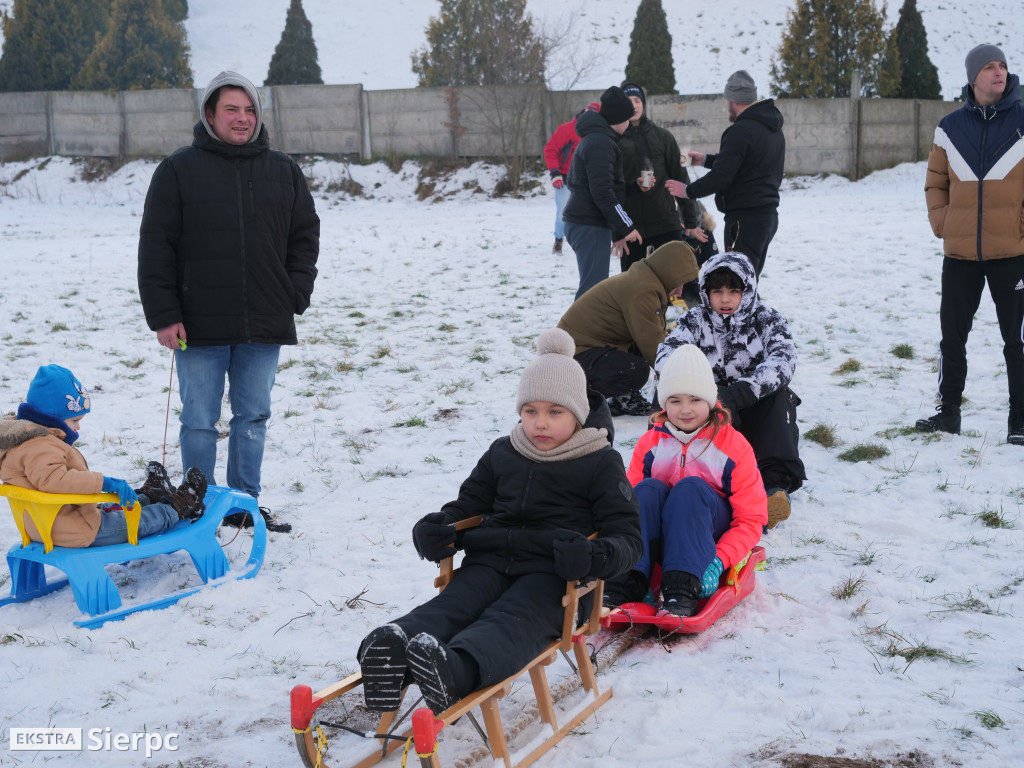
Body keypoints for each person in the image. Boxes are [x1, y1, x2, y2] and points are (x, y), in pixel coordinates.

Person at [355, 328, 641, 714]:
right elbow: (469, 503)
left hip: (555, 576)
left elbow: (628, 537)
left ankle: (457, 670)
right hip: (490, 561)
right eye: (530, 412)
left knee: (509, 622)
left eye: (555, 412)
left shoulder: (599, 460)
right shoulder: (504, 451)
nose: (540, 423)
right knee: (452, 606)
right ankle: (394, 651)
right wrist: (442, 527)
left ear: (577, 412)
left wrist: (592, 556)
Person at [138, 71, 320, 532]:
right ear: (209, 115)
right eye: (231, 110)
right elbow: (156, 246)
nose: (243, 119)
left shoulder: (283, 170)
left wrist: (295, 293)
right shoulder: (179, 170)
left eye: (250, 110)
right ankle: (198, 505)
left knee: (252, 415)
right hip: (197, 324)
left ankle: (242, 506)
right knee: (199, 419)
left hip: (265, 320)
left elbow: (305, 236)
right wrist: (163, 316)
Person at [603, 345, 766, 617]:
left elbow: (751, 519)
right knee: (646, 490)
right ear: (663, 403)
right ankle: (628, 580)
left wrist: (719, 559)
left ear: (711, 400)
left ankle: (682, 587)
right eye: (675, 400)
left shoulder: (733, 447)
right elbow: (628, 511)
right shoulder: (650, 444)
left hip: (707, 540)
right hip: (661, 539)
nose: (685, 410)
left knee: (690, 489)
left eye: (695, 399)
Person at [918, 44, 1024, 446]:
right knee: (952, 338)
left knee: (1017, 341)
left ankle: (1020, 421)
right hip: (960, 254)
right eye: (989, 67)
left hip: (1013, 254)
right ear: (973, 76)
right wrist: (943, 221)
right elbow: (935, 182)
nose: (998, 72)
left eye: (1003, 65)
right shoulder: (949, 127)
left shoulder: (1022, 121)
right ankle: (949, 414)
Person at [657, 252, 805, 527]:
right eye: (717, 291)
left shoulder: (767, 318)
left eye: (734, 291)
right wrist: (700, 390)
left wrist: (743, 391)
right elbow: (668, 354)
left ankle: (773, 489)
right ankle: (702, 484)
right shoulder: (694, 320)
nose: (725, 299)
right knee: (682, 407)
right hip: (711, 405)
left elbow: (783, 358)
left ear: (747, 290)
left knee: (780, 397)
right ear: (705, 292)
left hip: (755, 402)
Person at [0, 365, 207, 548]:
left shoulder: (23, 438)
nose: (78, 426)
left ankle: (148, 496)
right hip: (74, 529)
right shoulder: (39, 445)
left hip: (52, 520)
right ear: (52, 417)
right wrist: (105, 482)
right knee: (139, 521)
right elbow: (55, 480)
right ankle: (180, 506)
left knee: (107, 508)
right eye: (74, 420)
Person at [557, 241, 699, 416]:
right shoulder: (643, 290)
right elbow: (654, 347)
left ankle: (623, 397)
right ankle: (580, 395)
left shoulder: (647, 281)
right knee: (635, 371)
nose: (680, 290)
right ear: (668, 272)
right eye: (679, 280)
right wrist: (686, 377)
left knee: (636, 357)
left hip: (585, 349)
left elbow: (654, 332)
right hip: (570, 356)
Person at [667, 70, 784, 277]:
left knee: (737, 283)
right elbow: (745, 165)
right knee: (748, 279)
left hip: (744, 220)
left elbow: (722, 176)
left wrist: (687, 191)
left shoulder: (740, 130)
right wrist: (705, 160)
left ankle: (745, 311)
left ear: (733, 100)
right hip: (767, 217)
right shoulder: (771, 128)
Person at [562, 85, 643, 301]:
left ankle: (581, 332)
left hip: (587, 221)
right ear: (620, 118)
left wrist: (634, 187)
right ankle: (576, 334)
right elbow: (603, 192)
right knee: (592, 292)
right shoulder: (600, 143)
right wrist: (627, 226)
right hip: (589, 224)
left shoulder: (599, 139)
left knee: (594, 289)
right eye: (628, 118)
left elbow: (604, 188)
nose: (629, 123)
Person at [618, 81, 708, 273]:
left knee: (673, 279)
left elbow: (681, 178)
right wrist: (616, 231)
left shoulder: (663, 136)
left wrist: (691, 220)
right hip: (631, 226)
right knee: (632, 284)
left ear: (643, 104)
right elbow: (611, 187)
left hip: (665, 221)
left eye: (637, 100)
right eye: (628, 101)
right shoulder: (616, 141)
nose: (633, 105)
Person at [543, 101, 598, 254]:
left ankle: (589, 241)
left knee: (592, 212)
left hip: (587, 179)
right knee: (563, 212)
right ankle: (558, 241)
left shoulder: (599, 134)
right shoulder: (568, 129)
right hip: (565, 178)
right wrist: (555, 173)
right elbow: (550, 149)